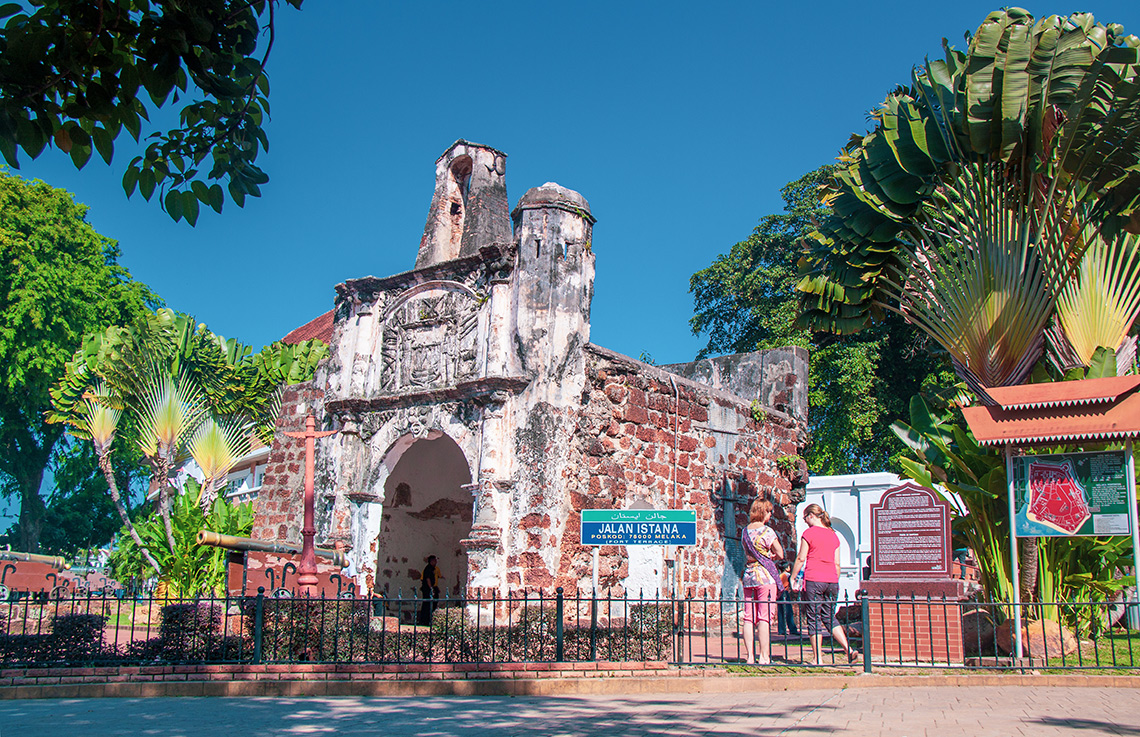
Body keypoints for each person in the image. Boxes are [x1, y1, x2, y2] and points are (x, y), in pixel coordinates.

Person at [789, 503, 859, 665]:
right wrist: (835, 579)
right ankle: (848, 649)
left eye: (806, 518)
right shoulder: (833, 535)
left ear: (811, 515)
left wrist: (793, 577)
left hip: (814, 578)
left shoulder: (809, 533)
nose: (805, 521)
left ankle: (817, 658)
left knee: (813, 617)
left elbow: (801, 558)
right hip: (832, 580)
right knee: (829, 617)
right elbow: (837, 564)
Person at [739, 498, 784, 665]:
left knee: (748, 618)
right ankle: (764, 656)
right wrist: (771, 556)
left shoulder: (745, 532)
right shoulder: (767, 532)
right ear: (763, 512)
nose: (771, 514)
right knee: (764, 617)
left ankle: (750, 656)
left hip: (749, 575)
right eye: (769, 511)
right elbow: (780, 553)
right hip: (765, 576)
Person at [418, 555, 442, 625]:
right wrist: (431, 588)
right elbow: (428, 579)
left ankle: (430, 619)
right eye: (435, 560)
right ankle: (425, 620)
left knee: (433, 603)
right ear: (431, 561)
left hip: (432, 587)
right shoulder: (428, 569)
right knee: (427, 604)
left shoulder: (433, 568)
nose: (436, 562)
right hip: (428, 589)